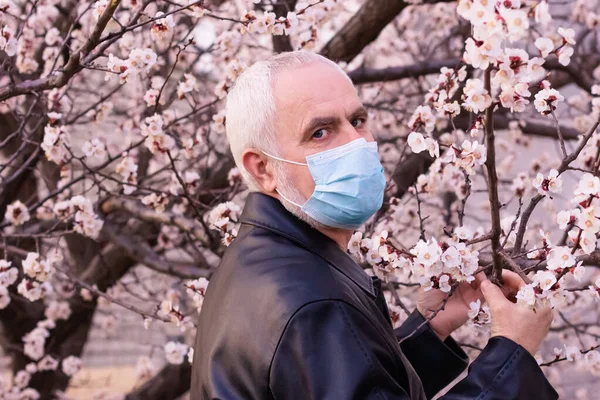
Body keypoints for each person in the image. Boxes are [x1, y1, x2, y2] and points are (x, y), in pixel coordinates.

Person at [190, 51, 558, 399]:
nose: (357, 143)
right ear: (263, 168)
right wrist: (513, 353)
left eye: (357, 120)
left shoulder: (260, 260)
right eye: (321, 132)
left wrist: (428, 330)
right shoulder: (314, 304)